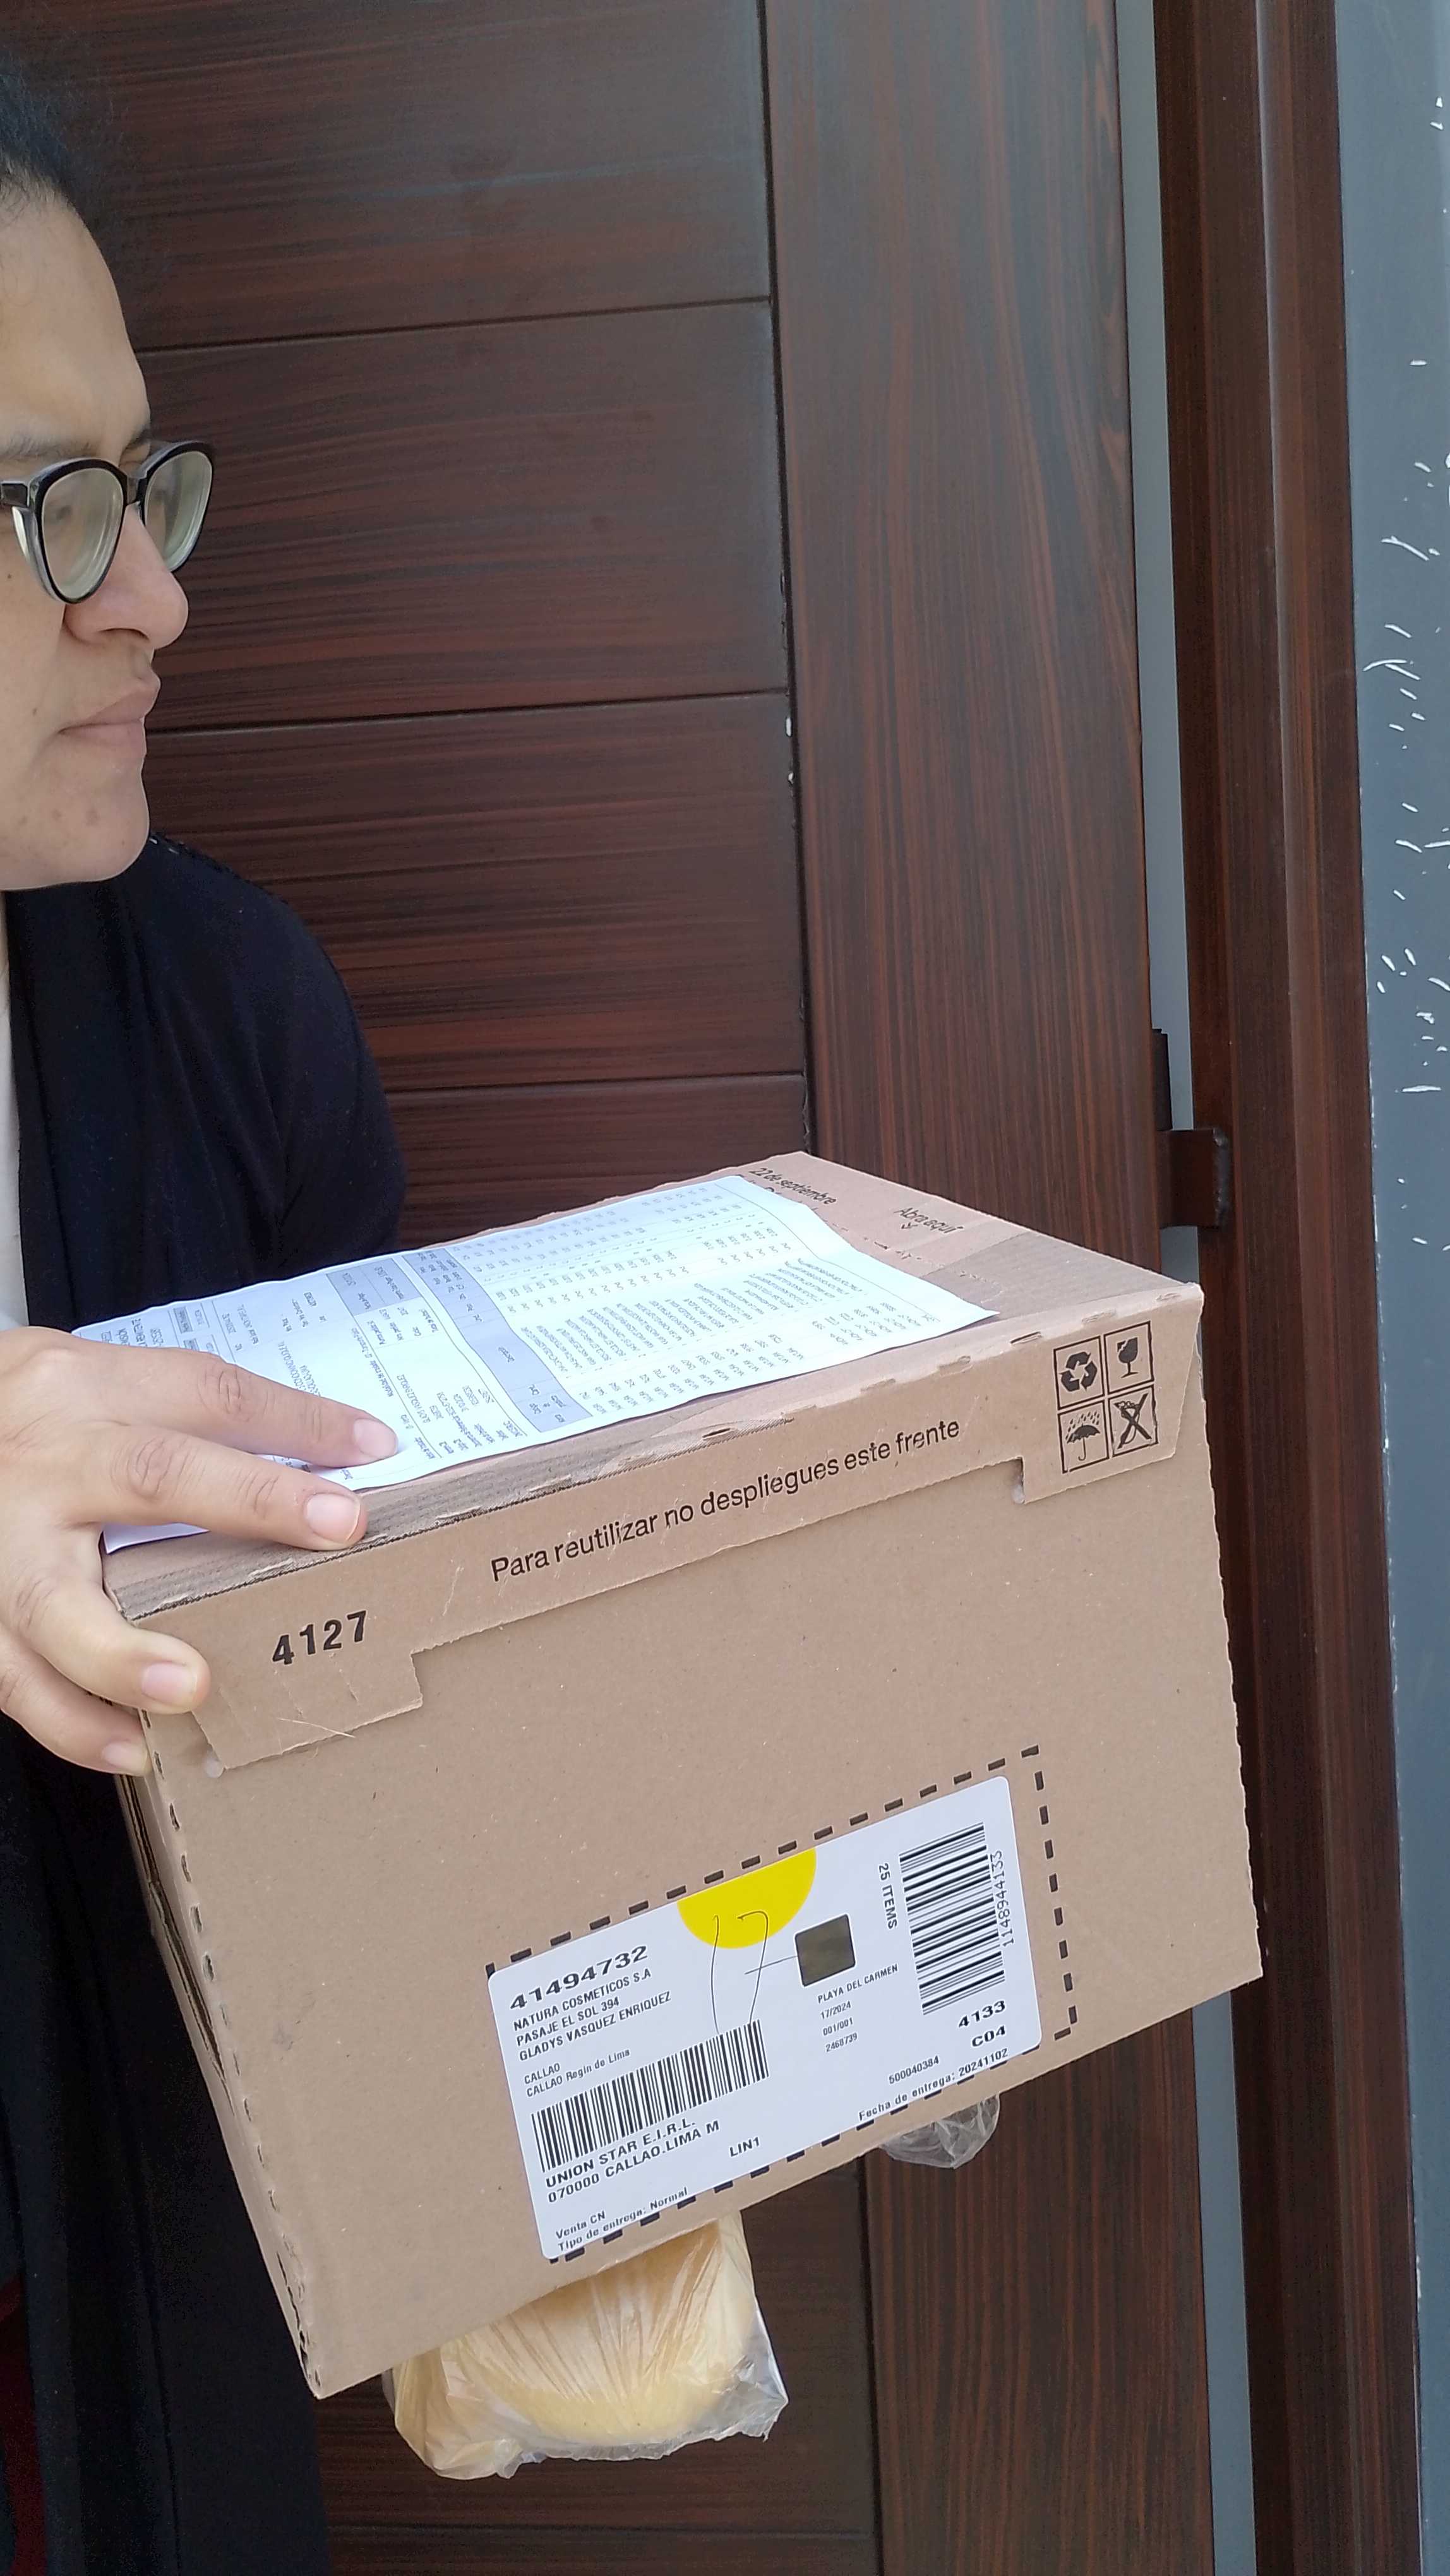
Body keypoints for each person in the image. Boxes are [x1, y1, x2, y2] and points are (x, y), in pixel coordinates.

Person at [0, 50, 409, 2573]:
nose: (149, 590)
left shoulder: (228, 1009)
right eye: (47, 505)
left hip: (130, 2339)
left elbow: (391, 1684)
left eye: (141, 484)